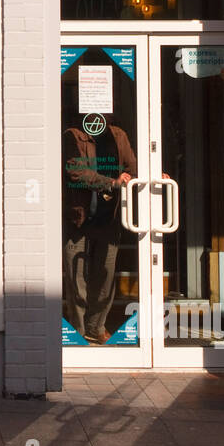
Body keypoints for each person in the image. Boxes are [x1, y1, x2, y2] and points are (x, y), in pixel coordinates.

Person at [62, 118, 137, 345]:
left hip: (109, 217)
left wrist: (154, 175)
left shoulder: (118, 135)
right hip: (78, 217)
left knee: (105, 274)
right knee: (77, 278)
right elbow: (76, 171)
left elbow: (132, 169)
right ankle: (77, 330)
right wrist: (111, 183)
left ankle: (96, 327)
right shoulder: (72, 135)